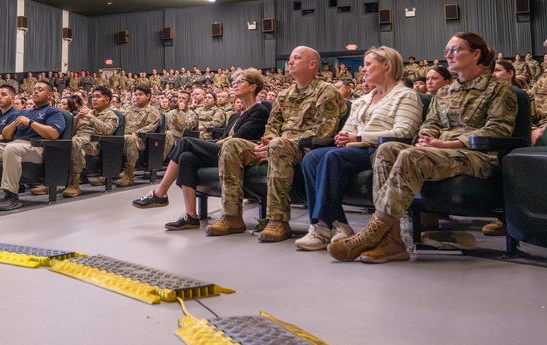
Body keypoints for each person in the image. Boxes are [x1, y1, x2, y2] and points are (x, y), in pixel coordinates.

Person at [329, 32, 517, 264]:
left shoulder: (499, 89)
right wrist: (427, 137)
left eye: (456, 50)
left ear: (476, 54)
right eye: (447, 50)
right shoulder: (446, 92)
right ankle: (393, 242)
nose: (448, 54)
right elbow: (431, 123)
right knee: (387, 150)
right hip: (439, 152)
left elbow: (498, 130)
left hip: (476, 155)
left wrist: (449, 143)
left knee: (411, 156)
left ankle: (372, 234)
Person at [205, 46, 346, 241]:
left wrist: (276, 144)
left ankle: (278, 221)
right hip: (276, 147)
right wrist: (268, 144)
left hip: (307, 148)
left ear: (313, 64)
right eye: (290, 58)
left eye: (297, 58)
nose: (291, 62)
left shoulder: (326, 92)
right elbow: (272, 126)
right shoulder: (284, 95)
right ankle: (232, 217)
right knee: (232, 145)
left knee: (279, 144)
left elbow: (325, 130)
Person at [295, 47, 424, 251]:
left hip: (382, 150)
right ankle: (339, 224)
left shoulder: (406, 95)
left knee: (332, 157)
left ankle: (321, 227)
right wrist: (344, 138)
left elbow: (404, 131)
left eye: (369, 64)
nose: (363, 70)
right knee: (312, 158)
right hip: (354, 150)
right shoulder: (362, 100)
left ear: (386, 65)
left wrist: (359, 137)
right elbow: (348, 130)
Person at [132, 69, 270, 231]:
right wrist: (214, 143)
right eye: (234, 82)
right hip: (225, 151)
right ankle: (191, 216)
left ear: (253, 87)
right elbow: (224, 140)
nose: (235, 85)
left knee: (185, 142)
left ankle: (160, 193)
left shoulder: (260, 111)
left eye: (240, 82)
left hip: (240, 154)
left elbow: (238, 139)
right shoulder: (235, 116)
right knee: (186, 157)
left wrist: (214, 143)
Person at [0, 80, 66, 211]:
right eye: (34, 89)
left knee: (12, 148)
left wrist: (30, 123)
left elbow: (53, 134)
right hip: (15, 144)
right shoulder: (24, 112)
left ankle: (11, 195)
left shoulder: (54, 112)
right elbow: (6, 136)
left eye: (40, 89)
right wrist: (13, 124)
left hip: (38, 147)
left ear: (50, 94)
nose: (35, 91)